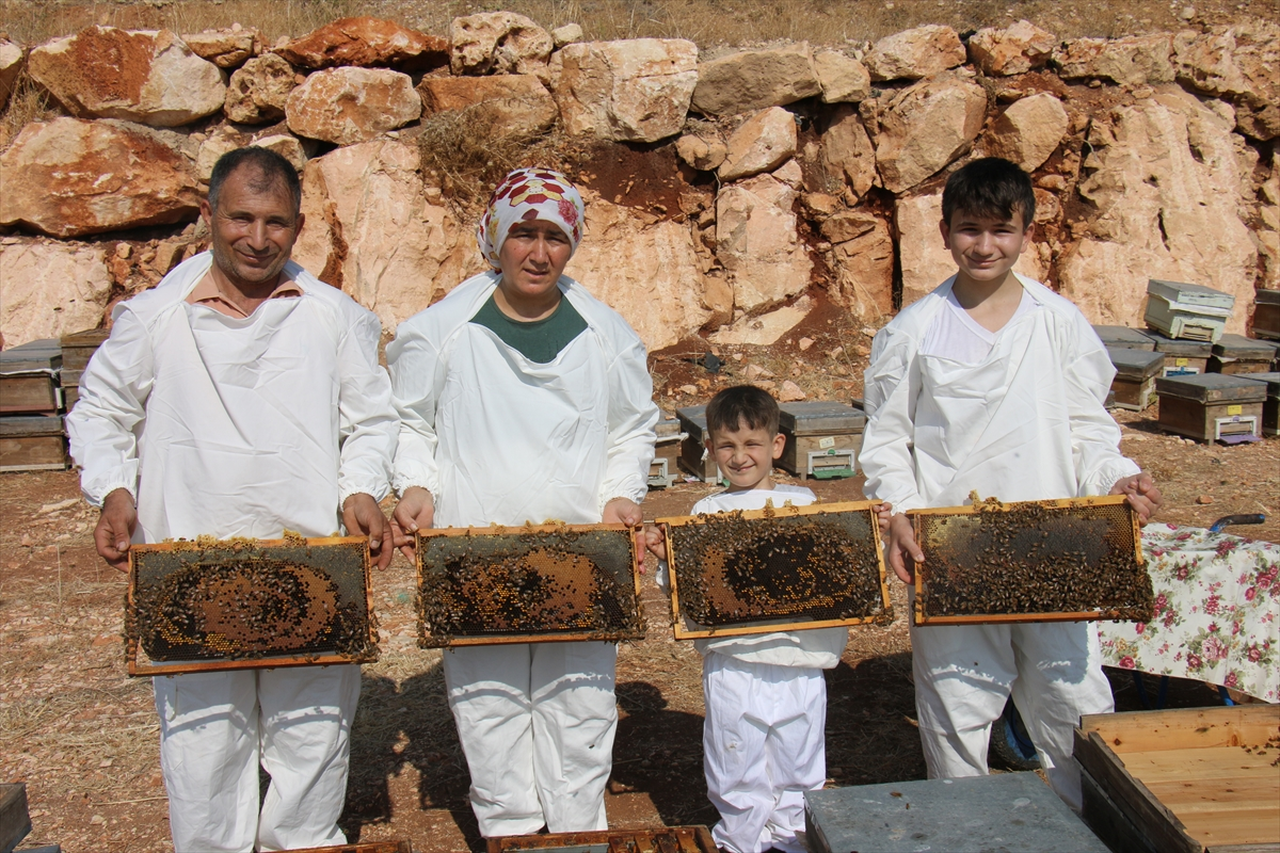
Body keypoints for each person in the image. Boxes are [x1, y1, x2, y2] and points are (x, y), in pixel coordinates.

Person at [66, 147, 398, 853]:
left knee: (311, 740)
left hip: (312, 565)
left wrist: (361, 487)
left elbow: (371, 419)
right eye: (241, 218)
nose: (257, 238)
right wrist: (114, 488)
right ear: (208, 215)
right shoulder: (154, 317)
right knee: (203, 750)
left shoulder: (335, 317)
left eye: (275, 222)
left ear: (299, 226)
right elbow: (101, 410)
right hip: (187, 568)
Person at [860, 157, 1162, 810]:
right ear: (945, 232)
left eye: (1001, 229)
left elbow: (1088, 429)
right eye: (970, 229)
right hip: (950, 549)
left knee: (1071, 699)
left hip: (1056, 546)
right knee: (957, 702)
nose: (984, 245)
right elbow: (887, 441)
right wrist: (901, 513)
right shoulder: (913, 331)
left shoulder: (1059, 322)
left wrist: (1117, 478)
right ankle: (966, 827)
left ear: (1027, 232)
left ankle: (1088, 824)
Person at [387, 167, 658, 837]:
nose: (539, 253)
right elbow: (410, 419)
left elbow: (631, 427)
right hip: (474, 549)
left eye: (555, 237)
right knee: (490, 704)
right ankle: (510, 831)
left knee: (581, 703)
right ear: (496, 236)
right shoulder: (442, 329)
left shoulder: (606, 333)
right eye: (524, 234)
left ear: (574, 244)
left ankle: (575, 834)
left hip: (581, 554)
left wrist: (619, 497)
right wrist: (417, 485)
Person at [647, 385, 847, 853]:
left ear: (776, 445)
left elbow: (842, 573)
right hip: (734, 663)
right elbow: (689, 587)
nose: (739, 457)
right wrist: (667, 558)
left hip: (800, 660)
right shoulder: (705, 511)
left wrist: (866, 529)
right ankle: (740, 842)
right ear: (710, 448)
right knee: (735, 762)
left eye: (752, 444)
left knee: (799, 761)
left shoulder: (806, 504)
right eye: (727, 446)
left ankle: (793, 840)